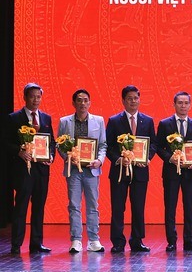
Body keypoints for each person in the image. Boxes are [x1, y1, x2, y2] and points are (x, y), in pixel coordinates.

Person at [106, 85, 156, 253]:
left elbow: (153, 144)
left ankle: (137, 241)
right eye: (129, 98)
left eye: (136, 98)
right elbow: (108, 145)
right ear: (123, 101)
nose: (133, 101)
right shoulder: (114, 121)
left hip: (140, 171)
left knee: (138, 207)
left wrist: (147, 158)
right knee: (118, 207)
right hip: (120, 171)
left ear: (139, 100)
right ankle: (118, 242)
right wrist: (118, 159)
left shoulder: (148, 121)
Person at [6, 83, 55, 254]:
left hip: (42, 170)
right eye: (32, 96)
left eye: (38, 97)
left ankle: (36, 243)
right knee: (21, 207)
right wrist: (19, 152)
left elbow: (51, 142)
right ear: (25, 97)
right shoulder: (14, 118)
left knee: (39, 207)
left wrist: (50, 155)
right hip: (23, 170)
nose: (36, 100)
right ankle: (16, 244)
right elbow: (6, 142)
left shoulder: (46, 118)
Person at [56, 89, 107, 253]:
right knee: (74, 205)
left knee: (93, 205)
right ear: (74, 103)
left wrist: (99, 161)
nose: (82, 103)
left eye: (85, 100)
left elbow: (103, 145)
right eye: (79, 100)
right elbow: (59, 144)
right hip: (73, 170)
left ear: (89, 103)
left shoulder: (99, 121)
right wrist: (68, 156)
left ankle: (93, 240)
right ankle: (76, 240)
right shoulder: (64, 122)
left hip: (91, 170)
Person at [156, 91, 192, 252]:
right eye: (180, 103)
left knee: (189, 207)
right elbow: (158, 147)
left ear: (190, 105)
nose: (183, 106)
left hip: (190, 173)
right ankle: (171, 241)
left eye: (186, 103)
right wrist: (170, 158)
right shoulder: (165, 124)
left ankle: (189, 240)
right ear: (174, 104)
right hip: (171, 172)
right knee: (170, 207)